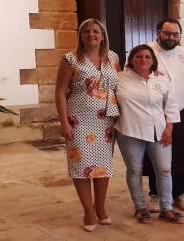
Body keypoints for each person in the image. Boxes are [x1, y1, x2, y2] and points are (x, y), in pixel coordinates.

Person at [55, 18, 120, 232]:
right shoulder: (71, 59)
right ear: (81, 36)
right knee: (80, 165)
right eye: (86, 32)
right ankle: (88, 211)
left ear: (102, 36)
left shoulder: (113, 58)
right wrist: (64, 122)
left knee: (103, 165)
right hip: (79, 121)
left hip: (106, 121)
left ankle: (100, 208)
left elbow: (120, 86)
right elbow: (60, 92)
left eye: (95, 31)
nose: (91, 35)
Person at [114, 44, 184, 224]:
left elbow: (171, 106)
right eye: (138, 56)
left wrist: (170, 128)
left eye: (147, 57)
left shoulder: (161, 80)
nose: (143, 60)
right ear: (131, 60)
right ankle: (140, 208)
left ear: (153, 61)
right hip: (130, 131)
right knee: (134, 170)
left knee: (164, 169)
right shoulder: (119, 79)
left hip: (159, 131)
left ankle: (166, 208)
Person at [142, 19, 184, 212]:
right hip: (153, 114)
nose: (171, 37)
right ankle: (155, 195)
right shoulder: (146, 50)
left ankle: (180, 193)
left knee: (180, 156)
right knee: (154, 157)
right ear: (158, 32)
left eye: (175, 34)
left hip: (178, 113)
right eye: (167, 33)